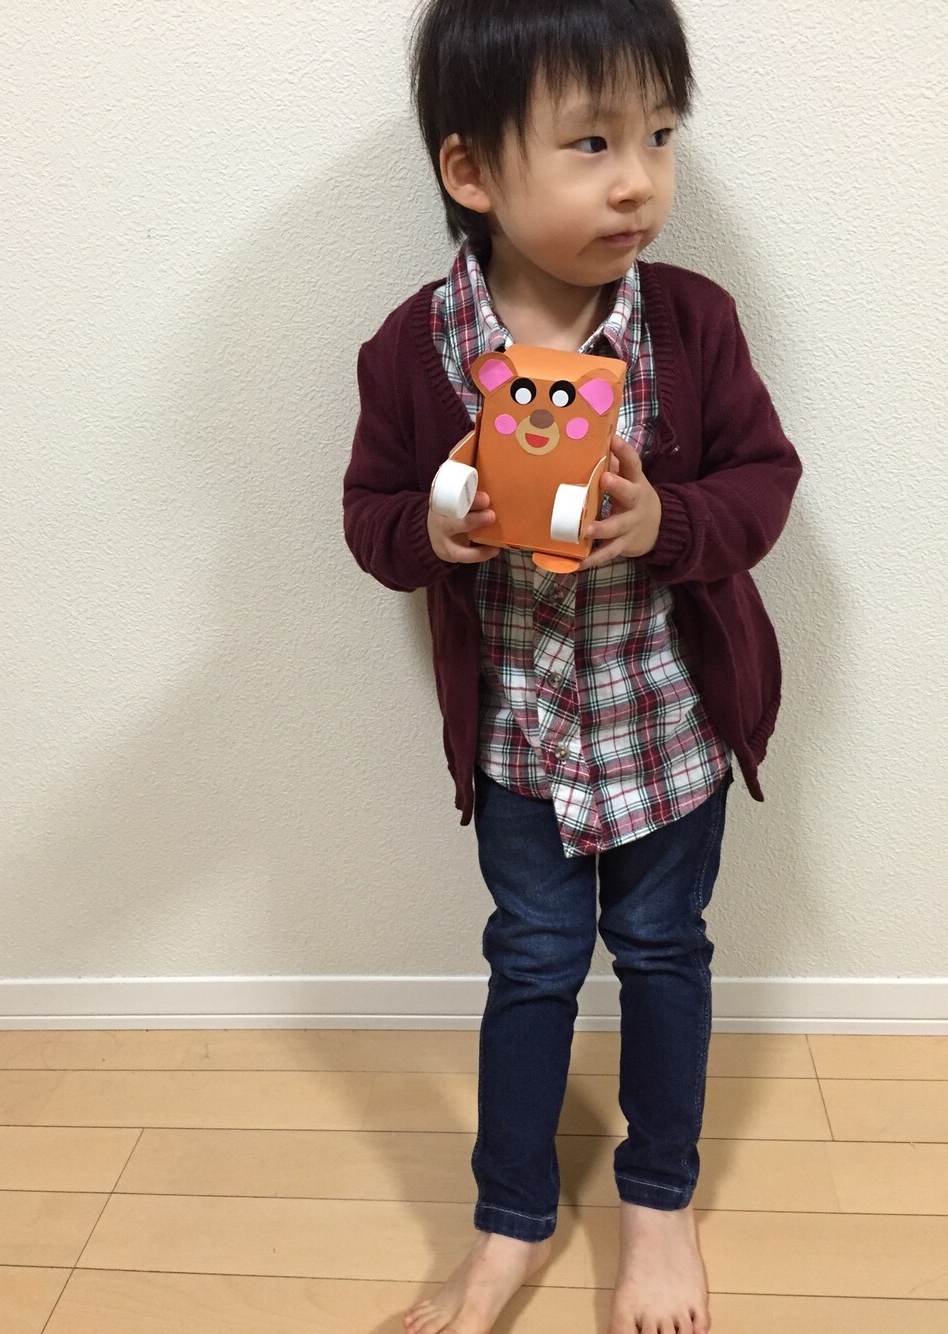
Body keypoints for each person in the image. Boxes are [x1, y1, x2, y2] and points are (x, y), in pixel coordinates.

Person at [342, 1, 803, 1330]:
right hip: (523, 751)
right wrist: (438, 522)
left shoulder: (691, 326)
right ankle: (509, 1218)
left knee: (665, 955)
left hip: (668, 732)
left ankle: (658, 1196)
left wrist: (671, 523)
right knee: (533, 966)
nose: (640, 179)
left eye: (660, 134)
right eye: (593, 141)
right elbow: (370, 518)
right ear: (471, 170)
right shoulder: (413, 351)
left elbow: (766, 481)